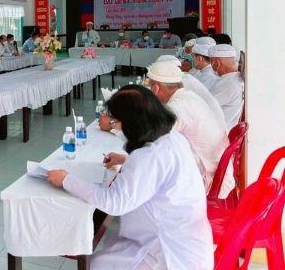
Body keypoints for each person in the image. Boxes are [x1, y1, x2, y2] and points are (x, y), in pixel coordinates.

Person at [47, 85, 213, 269]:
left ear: (133, 123)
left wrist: (66, 180)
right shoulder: (172, 137)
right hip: (186, 239)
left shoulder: (148, 156)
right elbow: (159, 171)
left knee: (96, 265)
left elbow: (114, 203)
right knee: (106, 254)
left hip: (167, 253)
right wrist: (126, 160)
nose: (117, 127)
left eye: (116, 122)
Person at [146, 61, 233, 196]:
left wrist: (117, 124)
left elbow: (152, 137)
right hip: (215, 170)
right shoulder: (188, 97)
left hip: (209, 179)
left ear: (155, 88)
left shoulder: (178, 106)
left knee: (148, 175)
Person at [153, 55, 226, 127]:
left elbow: (169, 118)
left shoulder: (181, 82)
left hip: (211, 126)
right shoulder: (184, 78)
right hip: (210, 124)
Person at [209, 44, 244, 131]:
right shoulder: (232, 78)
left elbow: (203, 106)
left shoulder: (229, 84)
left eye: (211, 63)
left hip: (217, 133)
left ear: (217, 63)